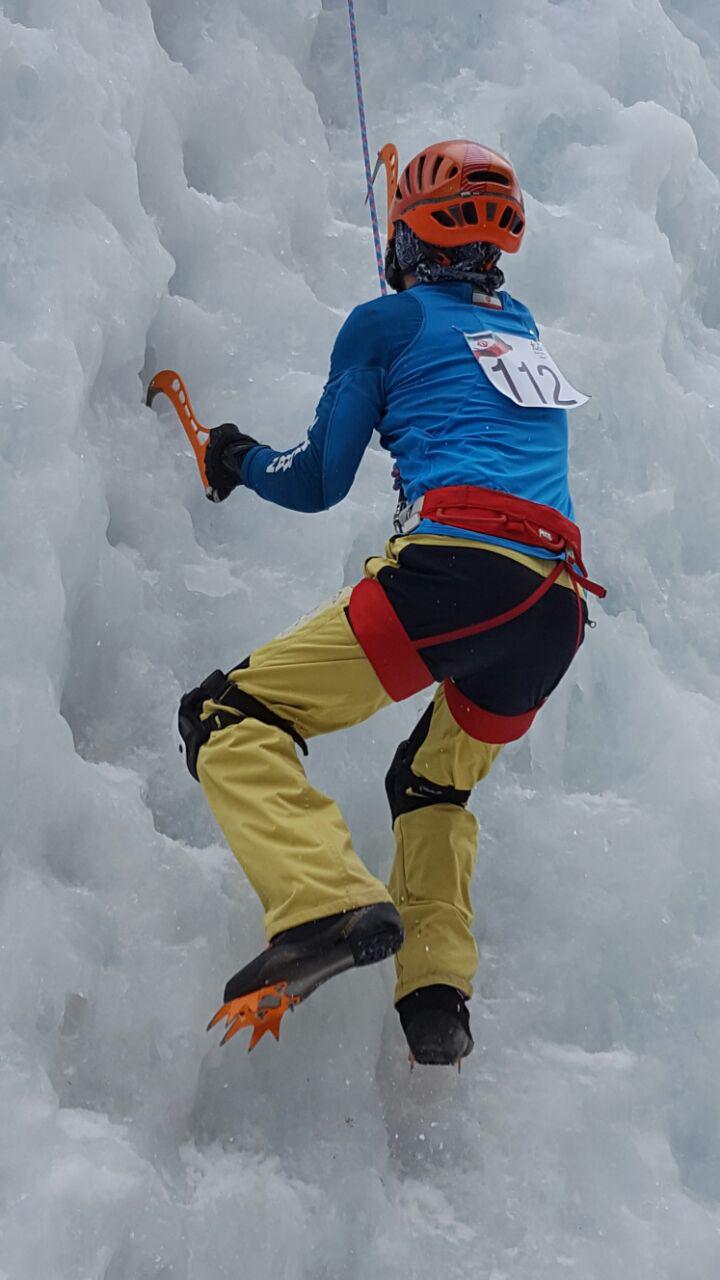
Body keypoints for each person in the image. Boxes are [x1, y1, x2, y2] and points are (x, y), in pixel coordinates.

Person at [181, 140, 604, 1065]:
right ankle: (436, 998)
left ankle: (323, 903)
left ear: (407, 239)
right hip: (556, 607)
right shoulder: (520, 327)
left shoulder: (384, 322)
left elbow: (318, 480)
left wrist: (236, 458)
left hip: (460, 573)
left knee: (227, 714)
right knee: (431, 783)